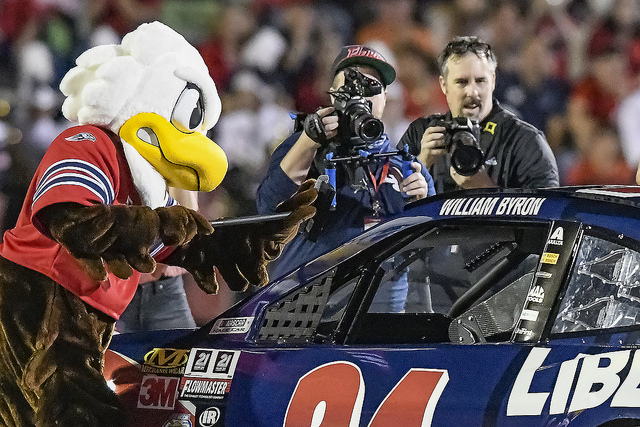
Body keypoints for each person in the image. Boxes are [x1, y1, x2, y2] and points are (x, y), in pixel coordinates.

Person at [256, 45, 435, 310]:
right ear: (332, 95)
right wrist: (309, 142)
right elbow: (268, 210)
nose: (360, 95)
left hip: (377, 316)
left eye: (371, 86)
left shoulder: (407, 165)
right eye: (350, 86)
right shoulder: (303, 146)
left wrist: (424, 205)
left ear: (385, 97)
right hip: (303, 310)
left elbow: (437, 255)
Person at [398, 35, 559, 194]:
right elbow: (387, 203)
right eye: (462, 82)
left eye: (480, 81)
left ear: (493, 81)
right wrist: (421, 167)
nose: (472, 92)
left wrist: (484, 188)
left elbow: (548, 207)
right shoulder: (419, 135)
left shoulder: (525, 141)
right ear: (444, 85)